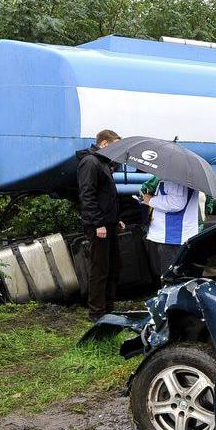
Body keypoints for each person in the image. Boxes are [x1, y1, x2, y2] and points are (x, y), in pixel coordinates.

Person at [76, 128, 124, 315]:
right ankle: (96, 311)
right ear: (104, 144)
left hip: (108, 223)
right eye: (115, 146)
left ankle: (108, 307)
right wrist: (97, 224)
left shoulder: (102, 163)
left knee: (114, 266)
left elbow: (107, 197)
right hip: (99, 225)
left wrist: (115, 219)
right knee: (100, 268)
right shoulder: (90, 162)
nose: (117, 151)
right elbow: (87, 195)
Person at [141, 177, 203, 274]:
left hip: (171, 237)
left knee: (169, 276)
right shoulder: (180, 176)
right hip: (173, 236)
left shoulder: (175, 178)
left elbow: (177, 203)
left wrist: (150, 200)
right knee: (175, 274)